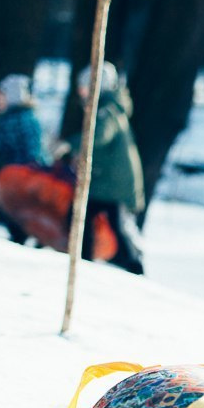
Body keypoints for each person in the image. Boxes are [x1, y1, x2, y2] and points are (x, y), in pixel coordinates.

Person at [66, 62, 145, 275]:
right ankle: (84, 258)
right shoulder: (108, 108)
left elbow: (98, 135)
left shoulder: (107, 112)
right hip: (108, 182)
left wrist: (70, 144)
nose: (80, 92)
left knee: (102, 220)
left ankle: (133, 266)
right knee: (86, 214)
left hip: (114, 184)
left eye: (84, 86)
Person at [0, 74, 49, 242]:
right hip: (18, 176)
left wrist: (29, 171)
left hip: (26, 177)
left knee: (21, 212)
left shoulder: (24, 120)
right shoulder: (10, 118)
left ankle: (27, 238)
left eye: (0, 97)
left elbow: (33, 150)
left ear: (12, 97)